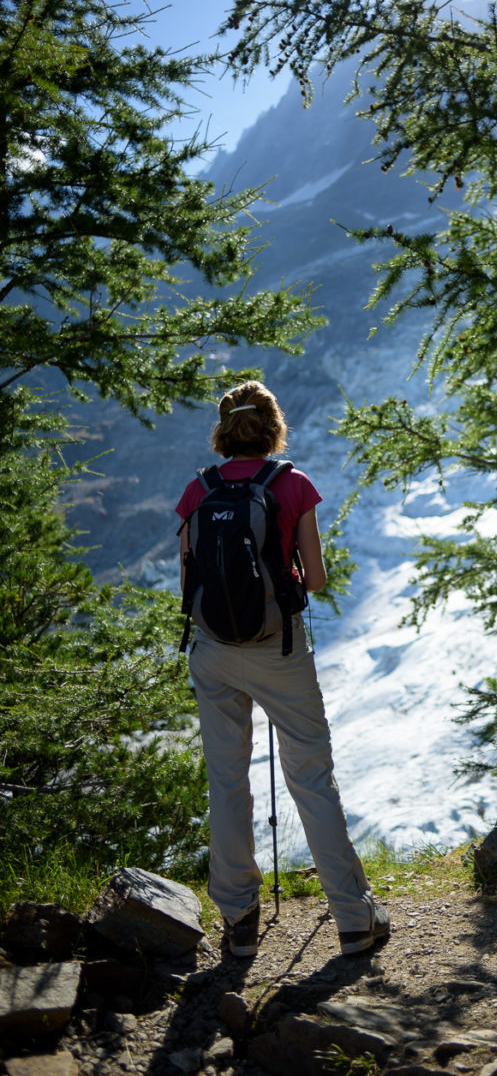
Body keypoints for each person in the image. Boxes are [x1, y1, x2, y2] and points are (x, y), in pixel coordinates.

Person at [175, 379, 389, 958]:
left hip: (214, 653)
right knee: (312, 779)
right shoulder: (291, 484)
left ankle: (239, 923)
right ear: (273, 428)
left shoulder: (198, 491)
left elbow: (187, 583)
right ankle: (352, 917)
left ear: (224, 430)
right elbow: (314, 579)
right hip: (281, 652)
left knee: (227, 783)